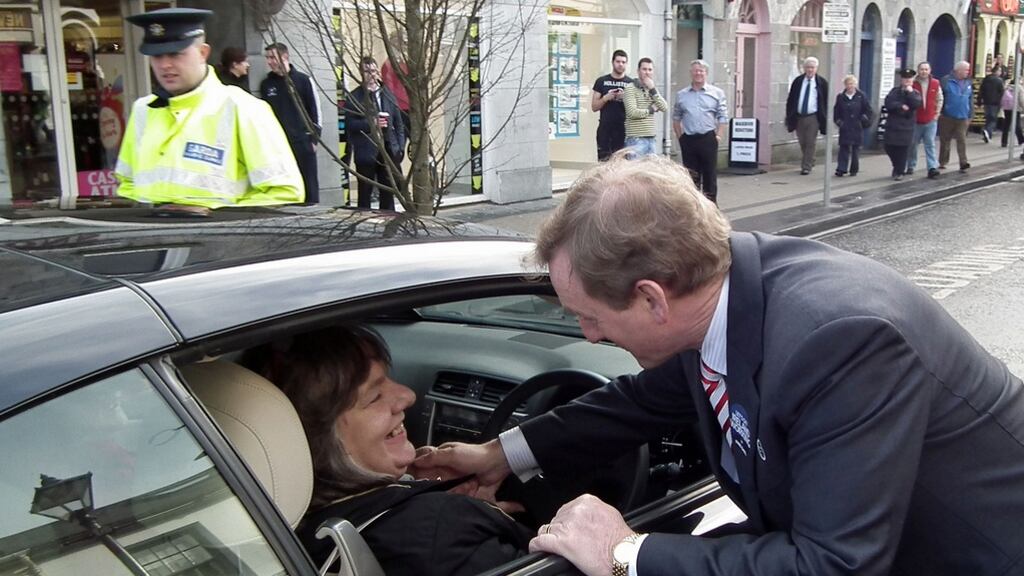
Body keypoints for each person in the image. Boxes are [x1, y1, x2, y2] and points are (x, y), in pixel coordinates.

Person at [415, 154, 1024, 576]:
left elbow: (837, 564)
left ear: (653, 297)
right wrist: (500, 454)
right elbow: (640, 401)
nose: (587, 335)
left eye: (590, 316)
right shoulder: (730, 296)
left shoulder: (839, 342)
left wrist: (625, 553)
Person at [252, 325, 532, 576]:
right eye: (374, 397)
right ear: (319, 441)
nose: (408, 396)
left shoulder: (263, 533)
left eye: (389, 378)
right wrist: (482, 518)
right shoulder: (437, 530)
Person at [115, 8, 302, 215]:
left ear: (203, 53)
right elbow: (127, 185)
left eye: (176, 53)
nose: (165, 65)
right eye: (156, 56)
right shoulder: (143, 110)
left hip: (218, 242)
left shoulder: (242, 108)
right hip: (149, 239)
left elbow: (284, 192)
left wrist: (211, 214)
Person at [261, 42, 322, 205]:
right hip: (279, 145)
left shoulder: (303, 81)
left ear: (285, 57)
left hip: (302, 142)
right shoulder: (267, 85)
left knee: (309, 186)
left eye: (273, 57)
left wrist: (314, 139)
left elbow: (315, 110)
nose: (269, 61)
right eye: (267, 58)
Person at [346, 56, 406, 210]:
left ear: (378, 72)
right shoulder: (355, 97)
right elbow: (350, 125)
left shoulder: (387, 94)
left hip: (387, 151)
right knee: (365, 195)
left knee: (388, 194)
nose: (370, 75)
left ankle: (389, 226)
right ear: (361, 73)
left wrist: (399, 148)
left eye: (373, 71)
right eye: (366, 71)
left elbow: (399, 124)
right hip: (366, 152)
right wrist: (371, 123)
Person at [671, 59, 728, 202]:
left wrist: (719, 136)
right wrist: (681, 138)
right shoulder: (682, 95)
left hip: (708, 139)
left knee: (710, 176)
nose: (698, 73)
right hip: (689, 140)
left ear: (706, 73)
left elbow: (723, 117)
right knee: (691, 177)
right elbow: (676, 118)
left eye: (701, 71)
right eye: (695, 70)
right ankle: (694, 207)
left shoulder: (717, 93)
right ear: (691, 73)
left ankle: (711, 208)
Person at [785, 57, 829, 175]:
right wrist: (789, 115)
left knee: (810, 141)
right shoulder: (798, 81)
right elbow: (791, 99)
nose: (810, 70)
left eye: (812, 67)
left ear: (816, 69)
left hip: (813, 116)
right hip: (799, 116)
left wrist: (825, 118)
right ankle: (810, 158)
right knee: (802, 141)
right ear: (804, 68)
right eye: (808, 67)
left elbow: (826, 101)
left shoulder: (822, 83)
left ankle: (806, 166)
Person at [622, 58, 668, 158]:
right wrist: (651, 110)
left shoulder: (652, 89)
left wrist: (652, 89)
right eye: (644, 69)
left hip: (651, 139)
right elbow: (632, 112)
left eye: (650, 70)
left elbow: (664, 107)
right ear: (638, 71)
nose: (647, 72)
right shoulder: (630, 88)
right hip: (635, 139)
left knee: (651, 172)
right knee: (634, 171)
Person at [591, 50, 632, 161]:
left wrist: (625, 98)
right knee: (604, 162)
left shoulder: (631, 84)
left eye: (623, 62)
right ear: (613, 62)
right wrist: (605, 98)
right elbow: (594, 107)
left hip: (623, 129)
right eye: (618, 61)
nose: (620, 64)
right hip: (605, 128)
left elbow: (636, 108)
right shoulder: (602, 81)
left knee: (622, 163)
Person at [883, 69, 922, 181]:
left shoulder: (915, 93)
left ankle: (899, 171)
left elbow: (916, 104)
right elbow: (889, 103)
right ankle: (897, 166)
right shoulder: (895, 91)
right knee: (889, 147)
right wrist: (900, 106)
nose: (907, 81)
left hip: (906, 126)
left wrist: (909, 93)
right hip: (893, 125)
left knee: (902, 150)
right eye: (905, 78)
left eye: (909, 79)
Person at [906, 61, 943, 179]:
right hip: (916, 120)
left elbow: (940, 99)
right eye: (922, 69)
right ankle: (911, 165)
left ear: (930, 71)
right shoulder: (913, 84)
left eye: (926, 69)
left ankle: (932, 167)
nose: (924, 71)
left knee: (930, 144)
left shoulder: (936, 83)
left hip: (931, 119)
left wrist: (937, 114)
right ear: (918, 70)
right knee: (913, 144)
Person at [832, 74, 871, 177]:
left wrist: (864, 118)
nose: (850, 86)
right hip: (845, 126)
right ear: (845, 85)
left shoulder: (861, 96)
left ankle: (854, 169)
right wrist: (839, 122)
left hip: (857, 126)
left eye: (852, 83)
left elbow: (868, 110)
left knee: (855, 149)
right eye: (848, 84)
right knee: (844, 148)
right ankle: (841, 168)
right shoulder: (840, 97)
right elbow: (836, 112)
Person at [938, 60, 973, 173]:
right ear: (959, 70)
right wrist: (940, 111)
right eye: (966, 70)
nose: (968, 72)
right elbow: (940, 96)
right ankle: (943, 161)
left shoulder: (968, 82)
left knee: (961, 139)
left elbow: (970, 99)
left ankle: (963, 162)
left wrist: (970, 114)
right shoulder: (946, 80)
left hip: (963, 116)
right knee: (945, 140)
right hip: (947, 116)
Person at [979, 64, 1005, 143]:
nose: (1000, 72)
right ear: (996, 71)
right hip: (995, 103)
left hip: (986, 102)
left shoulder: (986, 79)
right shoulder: (999, 80)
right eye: (1000, 71)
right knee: (993, 119)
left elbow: (981, 90)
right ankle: (987, 131)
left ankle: (987, 135)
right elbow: (1002, 92)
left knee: (988, 118)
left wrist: (979, 100)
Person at [1000, 78, 1024, 154]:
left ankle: (1004, 141)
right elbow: (1021, 99)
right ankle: (1021, 140)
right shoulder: (1019, 87)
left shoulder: (1007, 87)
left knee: (1006, 125)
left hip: (1007, 108)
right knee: (1017, 125)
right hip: (1016, 108)